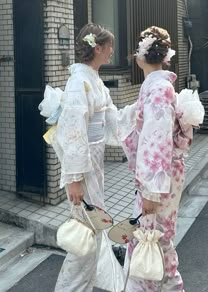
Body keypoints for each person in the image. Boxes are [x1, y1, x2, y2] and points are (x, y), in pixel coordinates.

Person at [121, 26, 203, 292]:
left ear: (140, 56)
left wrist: (151, 191)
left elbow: (155, 143)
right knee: (160, 238)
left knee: (149, 238)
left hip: (157, 180)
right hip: (164, 175)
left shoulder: (158, 90)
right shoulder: (160, 86)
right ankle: (171, 286)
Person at [48, 23, 124, 292]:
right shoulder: (79, 82)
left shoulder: (94, 80)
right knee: (84, 236)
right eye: (110, 46)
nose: (112, 51)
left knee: (93, 230)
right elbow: (73, 133)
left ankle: (84, 285)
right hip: (84, 168)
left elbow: (115, 119)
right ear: (98, 48)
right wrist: (74, 178)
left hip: (95, 163)